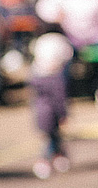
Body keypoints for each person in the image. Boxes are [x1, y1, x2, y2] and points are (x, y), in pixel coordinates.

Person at [28, 32, 73, 180]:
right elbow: (60, 100)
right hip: (50, 115)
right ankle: (46, 159)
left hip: (42, 115)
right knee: (51, 138)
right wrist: (63, 115)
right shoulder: (57, 80)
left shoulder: (35, 78)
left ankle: (57, 155)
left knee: (52, 137)